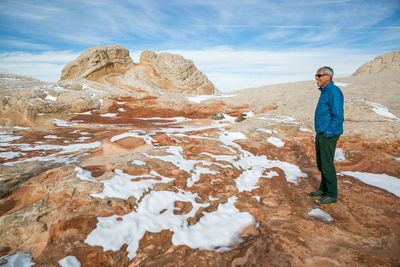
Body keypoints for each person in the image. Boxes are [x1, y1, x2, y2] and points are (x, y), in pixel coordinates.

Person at [309, 66, 344, 205]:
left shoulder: (334, 92)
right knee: (321, 163)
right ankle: (323, 189)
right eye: (316, 76)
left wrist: (329, 133)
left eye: (319, 75)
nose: (316, 78)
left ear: (328, 77)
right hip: (321, 133)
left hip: (328, 134)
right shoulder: (325, 91)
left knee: (327, 164)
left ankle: (331, 194)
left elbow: (338, 116)